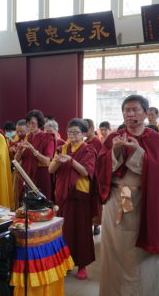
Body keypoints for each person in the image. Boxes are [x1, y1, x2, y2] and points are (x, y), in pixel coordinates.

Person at [96, 95, 159, 296]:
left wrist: (139, 152)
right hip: (115, 201)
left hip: (142, 203)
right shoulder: (113, 138)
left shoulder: (156, 139)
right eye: (126, 110)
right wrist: (114, 152)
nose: (130, 114)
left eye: (135, 110)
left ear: (146, 113)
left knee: (137, 256)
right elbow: (100, 169)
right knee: (114, 252)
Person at [49, 118, 96, 280]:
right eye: (70, 132)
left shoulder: (88, 150)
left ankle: (82, 265)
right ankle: (65, 263)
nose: (72, 136)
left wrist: (71, 160)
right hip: (62, 194)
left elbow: (85, 172)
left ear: (84, 134)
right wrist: (56, 160)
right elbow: (51, 169)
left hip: (79, 195)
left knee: (80, 231)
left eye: (76, 133)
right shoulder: (62, 148)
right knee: (64, 231)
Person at [14, 110, 55, 201]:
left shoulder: (48, 137)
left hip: (40, 175)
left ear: (39, 123)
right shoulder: (27, 137)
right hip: (26, 175)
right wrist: (20, 149)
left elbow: (47, 161)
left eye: (33, 123)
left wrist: (33, 150)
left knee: (40, 206)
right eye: (28, 123)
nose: (30, 126)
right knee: (26, 205)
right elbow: (16, 160)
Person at [83, 118, 103, 235]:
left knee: (95, 202)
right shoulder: (85, 142)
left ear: (91, 128)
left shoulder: (97, 142)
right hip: (86, 175)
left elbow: (99, 161)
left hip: (95, 175)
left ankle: (96, 224)